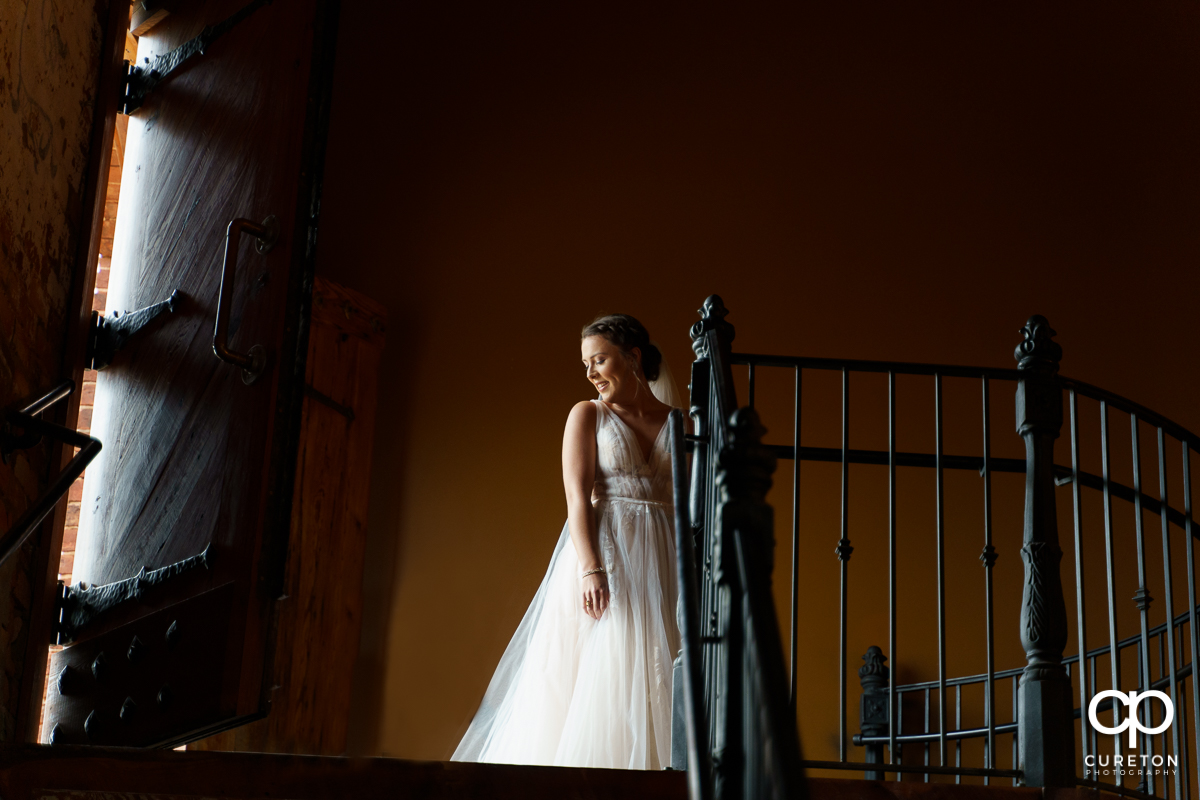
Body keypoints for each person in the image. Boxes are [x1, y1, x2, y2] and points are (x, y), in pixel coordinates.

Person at [451, 314, 683, 769]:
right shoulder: (588, 415)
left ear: (632, 357)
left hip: (665, 554)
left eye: (599, 360)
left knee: (661, 669)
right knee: (609, 670)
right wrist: (590, 567)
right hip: (609, 553)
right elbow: (577, 499)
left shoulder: (680, 422)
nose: (591, 373)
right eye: (586, 364)